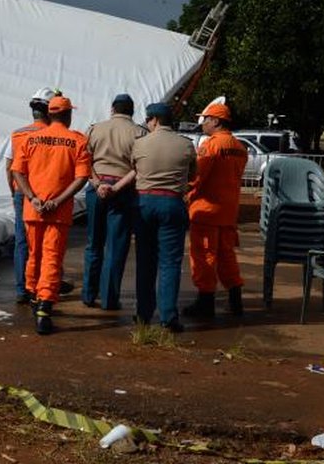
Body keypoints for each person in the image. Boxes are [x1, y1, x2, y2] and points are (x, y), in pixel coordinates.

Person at [11, 95, 91, 335]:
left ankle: (34, 294)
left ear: (49, 113)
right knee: (52, 257)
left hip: (32, 209)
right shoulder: (77, 141)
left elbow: (17, 172)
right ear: (67, 115)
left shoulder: (29, 139)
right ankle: (45, 306)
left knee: (34, 254)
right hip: (58, 211)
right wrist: (58, 200)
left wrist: (33, 198)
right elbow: (82, 177)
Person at [113, 103, 196, 332]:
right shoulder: (186, 145)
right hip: (172, 203)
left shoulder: (140, 144)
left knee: (145, 262)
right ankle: (168, 317)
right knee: (170, 262)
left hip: (144, 203)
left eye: (148, 120)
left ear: (155, 120)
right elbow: (193, 173)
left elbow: (135, 168)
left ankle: (143, 314)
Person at [183, 102, 248, 318]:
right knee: (227, 256)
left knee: (204, 256)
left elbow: (198, 178)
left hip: (206, 211)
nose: (202, 123)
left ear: (216, 121)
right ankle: (235, 301)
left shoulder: (210, 146)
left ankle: (205, 303)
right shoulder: (239, 148)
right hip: (228, 212)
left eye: (206, 119)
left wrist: (186, 195)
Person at [82, 94, 145, 310]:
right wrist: (116, 187)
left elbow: (84, 162)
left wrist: (98, 183)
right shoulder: (139, 133)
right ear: (132, 111)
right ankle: (109, 300)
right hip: (123, 191)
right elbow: (139, 168)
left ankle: (88, 295)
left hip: (96, 190)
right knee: (116, 247)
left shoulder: (94, 129)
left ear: (112, 109)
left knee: (93, 243)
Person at [5, 87, 55, 304]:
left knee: (22, 241)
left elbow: (10, 167)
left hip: (22, 193)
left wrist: (15, 191)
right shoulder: (55, 136)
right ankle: (42, 286)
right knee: (47, 241)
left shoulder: (18, 134)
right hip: (48, 194)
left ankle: (22, 289)